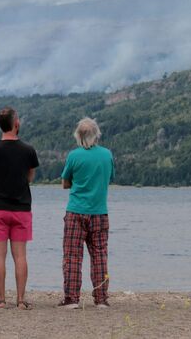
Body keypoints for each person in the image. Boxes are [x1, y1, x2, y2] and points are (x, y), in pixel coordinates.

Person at [0, 107, 39, 310]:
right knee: (20, 255)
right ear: (16, 124)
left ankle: (1, 299)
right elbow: (30, 177)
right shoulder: (28, 150)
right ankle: (21, 300)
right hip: (21, 208)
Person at [59, 118, 114, 309]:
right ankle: (101, 299)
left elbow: (65, 183)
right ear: (96, 134)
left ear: (78, 136)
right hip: (99, 212)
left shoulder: (74, 156)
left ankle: (72, 298)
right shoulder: (107, 155)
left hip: (76, 211)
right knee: (99, 255)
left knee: (72, 255)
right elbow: (109, 179)